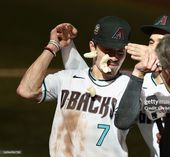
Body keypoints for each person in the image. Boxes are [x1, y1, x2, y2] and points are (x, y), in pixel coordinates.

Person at [61, 14, 170, 157]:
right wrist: (67, 46)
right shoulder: (138, 82)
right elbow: (87, 79)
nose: (153, 48)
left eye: (162, 43)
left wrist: (162, 62)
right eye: (151, 42)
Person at [16, 16, 131, 157]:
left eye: (120, 52)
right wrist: (52, 46)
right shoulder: (67, 79)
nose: (114, 57)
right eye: (108, 50)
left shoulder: (129, 85)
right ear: (92, 46)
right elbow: (27, 90)